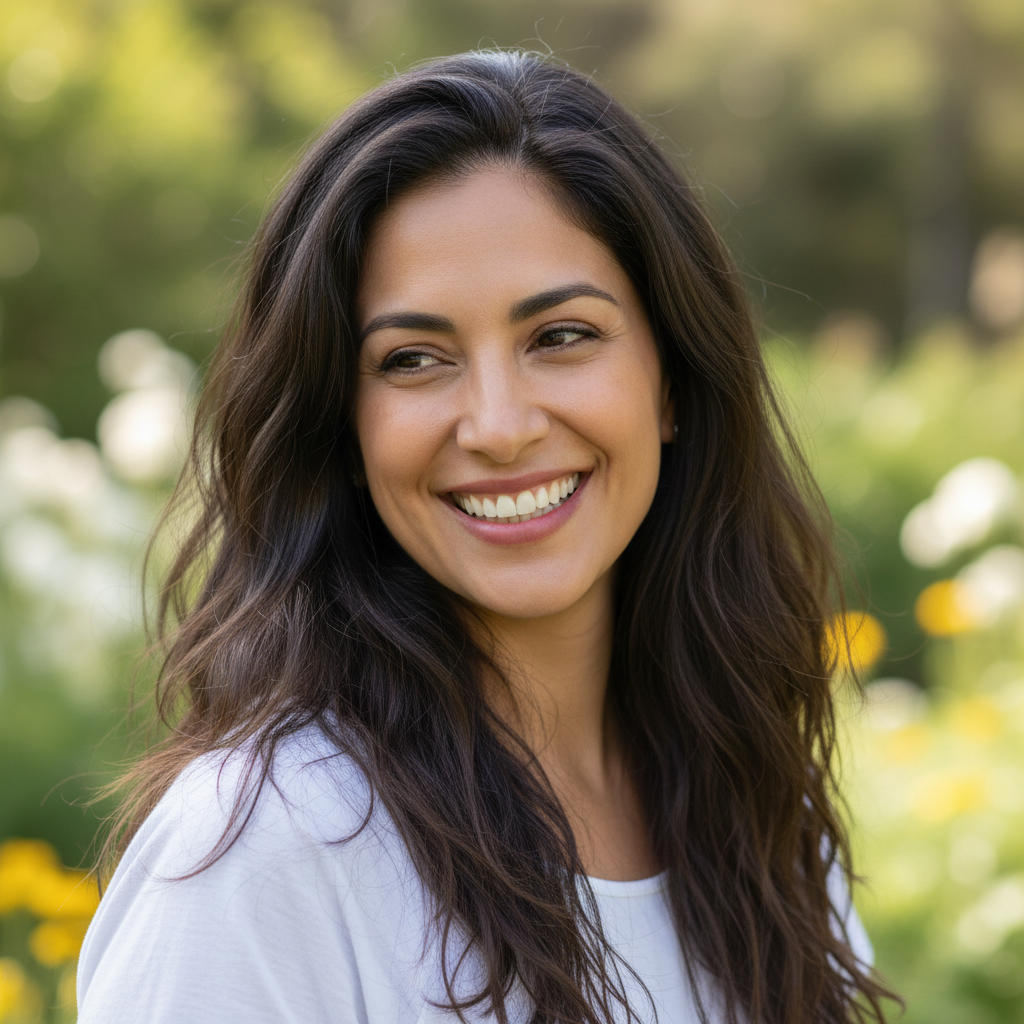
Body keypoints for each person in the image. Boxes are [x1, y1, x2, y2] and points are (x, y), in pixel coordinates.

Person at [77, 50, 897, 1024]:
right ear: (342, 423)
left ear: (670, 376)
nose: (499, 425)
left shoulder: (763, 819)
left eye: (560, 336)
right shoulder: (263, 854)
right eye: (414, 358)